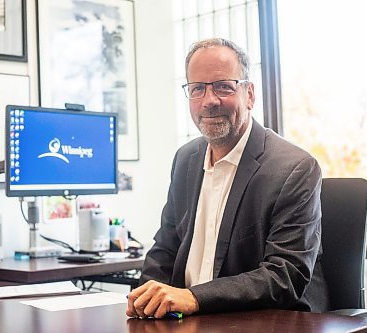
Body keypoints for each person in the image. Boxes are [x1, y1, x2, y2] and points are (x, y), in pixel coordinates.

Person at [126, 38, 329, 319]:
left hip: (265, 321)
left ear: (249, 94)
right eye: (197, 88)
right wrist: (144, 297)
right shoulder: (185, 159)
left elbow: (285, 277)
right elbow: (165, 248)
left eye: (223, 86)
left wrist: (193, 297)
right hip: (191, 322)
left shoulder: (295, 168)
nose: (209, 101)